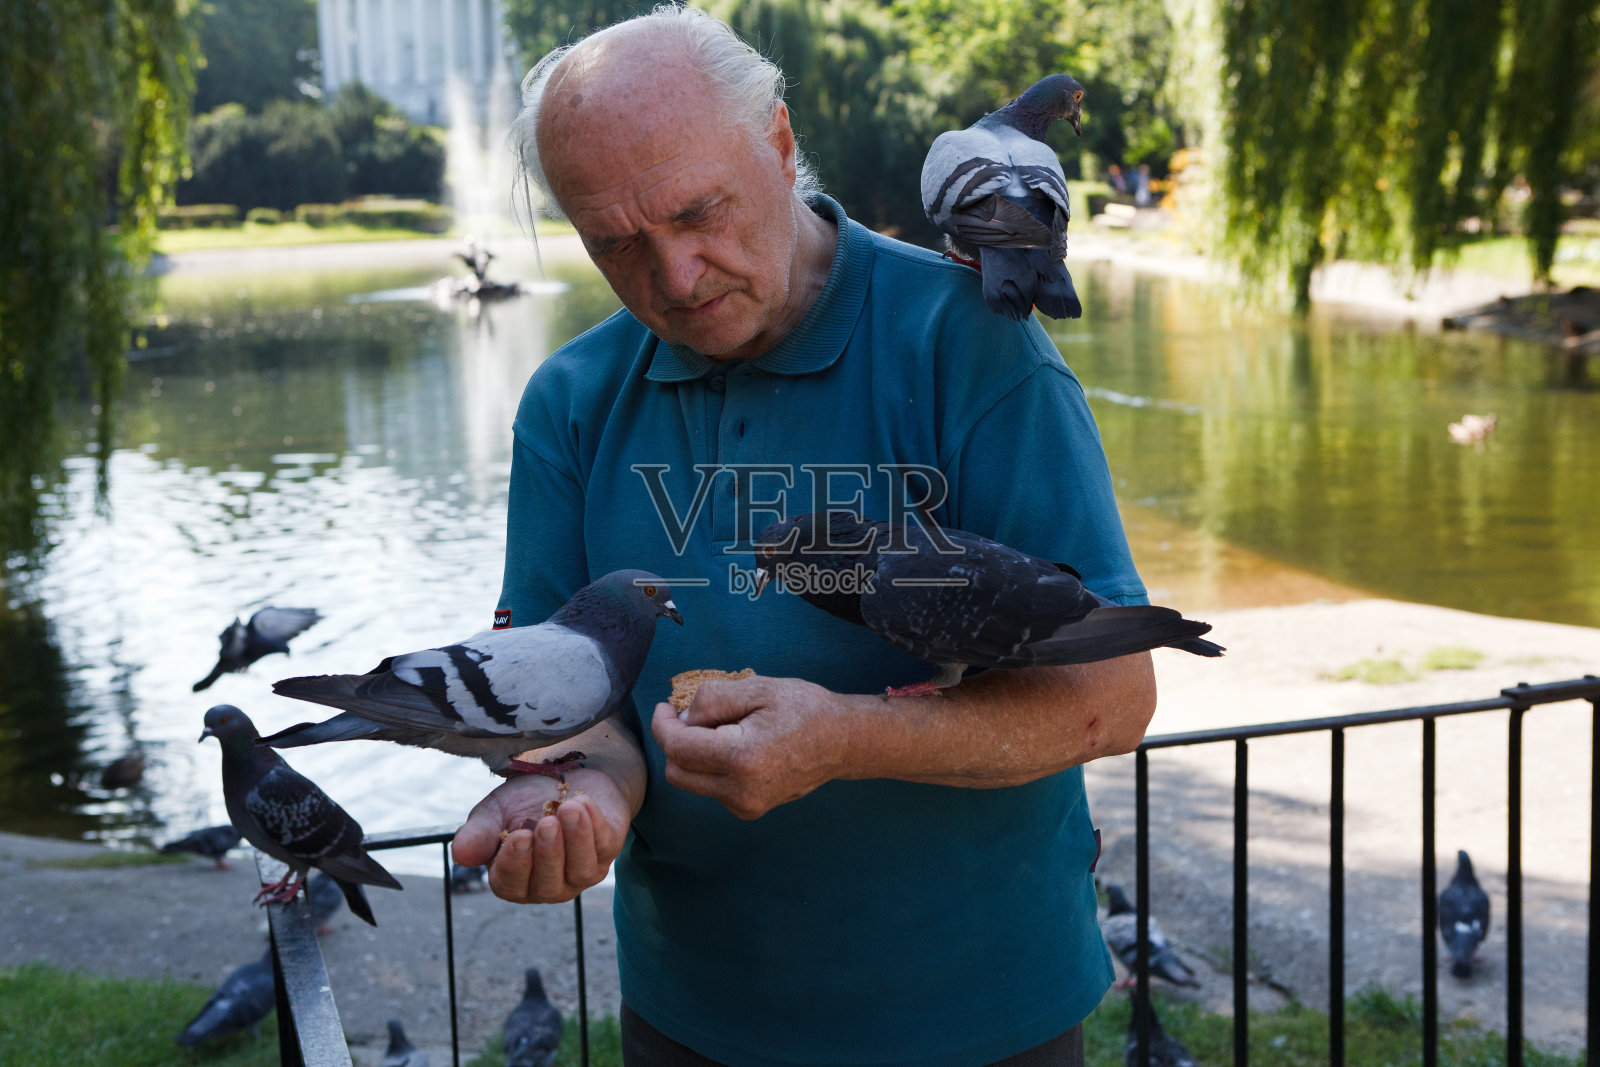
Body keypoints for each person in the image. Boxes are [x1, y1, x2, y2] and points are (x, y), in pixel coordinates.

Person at [451, 9, 1158, 1065]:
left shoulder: (972, 342)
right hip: (694, 1015)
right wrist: (580, 792)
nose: (678, 277)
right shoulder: (570, 402)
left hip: (980, 1016)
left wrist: (844, 736)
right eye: (616, 244)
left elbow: (1111, 696)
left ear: (778, 147)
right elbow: (578, 709)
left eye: (699, 212)